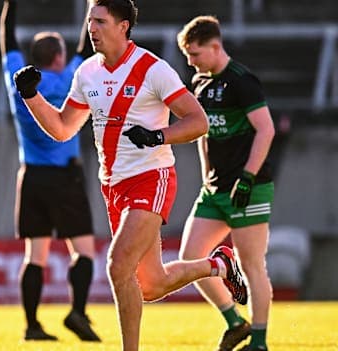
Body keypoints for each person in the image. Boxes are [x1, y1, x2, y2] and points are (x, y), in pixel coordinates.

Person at [13, 1, 249, 350]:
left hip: (152, 177)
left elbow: (197, 122)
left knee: (117, 263)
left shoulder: (153, 68)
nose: (92, 28)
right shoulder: (87, 72)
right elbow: (63, 129)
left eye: (100, 21)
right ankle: (219, 264)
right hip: (113, 185)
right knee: (151, 285)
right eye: (90, 21)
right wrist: (31, 96)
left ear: (123, 26)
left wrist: (158, 136)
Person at [0, 0, 101, 342]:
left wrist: (11, 4)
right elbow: (86, 45)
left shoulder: (19, 83)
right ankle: (78, 312)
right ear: (58, 57)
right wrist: (92, 5)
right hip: (65, 177)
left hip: (31, 176)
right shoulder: (70, 77)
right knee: (83, 251)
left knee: (35, 256)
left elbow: (7, 40)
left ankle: (31, 325)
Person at [177, 15, 275, 351]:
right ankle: (236, 322)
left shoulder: (243, 81)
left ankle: (259, 342)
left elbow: (266, 130)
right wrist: (206, 175)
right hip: (215, 190)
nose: (191, 62)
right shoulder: (200, 84)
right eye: (188, 56)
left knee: (251, 265)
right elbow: (202, 133)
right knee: (190, 257)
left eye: (195, 54)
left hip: (249, 187)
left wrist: (247, 177)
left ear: (215, 46)